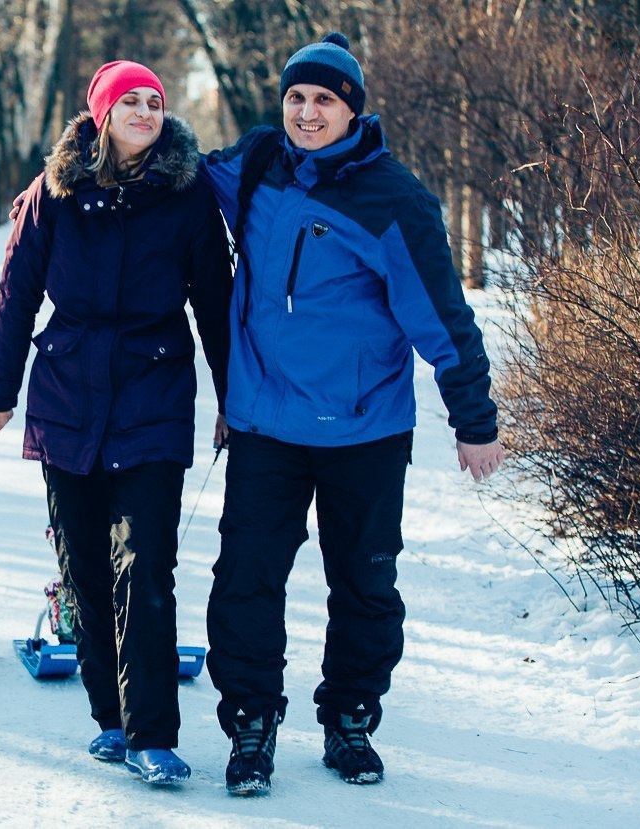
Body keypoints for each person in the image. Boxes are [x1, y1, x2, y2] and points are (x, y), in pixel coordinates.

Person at [199, 33, 505, 795]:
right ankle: (252, 723)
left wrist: (474, 420)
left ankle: (350, 718)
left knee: (365, 583)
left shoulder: (391, 199)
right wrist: (63, 185)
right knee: (245, 577)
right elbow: (171, 175)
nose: (307, 113)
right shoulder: (259, 166)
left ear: (352, 111)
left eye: (324, 100)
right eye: (297, 98)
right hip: (267, 422)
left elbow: (443, 316)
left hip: (364, 428)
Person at [0, 60, 232, 785]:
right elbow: (16, 297)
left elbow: (216, 302)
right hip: (67, 397)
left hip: (152, 390)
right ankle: (110, 720)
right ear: (102, 113)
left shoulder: (187, 196)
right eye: (132, 102)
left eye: (156, 102)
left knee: (144, 565)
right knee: (82, 567)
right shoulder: (52, 194)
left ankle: (153, 733)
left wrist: (231, 400)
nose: (146, 112)